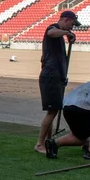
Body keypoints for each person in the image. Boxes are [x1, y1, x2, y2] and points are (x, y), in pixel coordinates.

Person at [34, 10, 79, 154]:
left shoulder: (60, 35)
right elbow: (51, 33)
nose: (72, 27)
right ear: (66, 20)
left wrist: (62, 77)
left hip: (57, 77)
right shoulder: (53, 28)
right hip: (50, 76)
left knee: (52, 110)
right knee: (52, 111)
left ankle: (47, 140)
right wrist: (67, 34)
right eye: (72, 24)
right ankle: (39, 144)